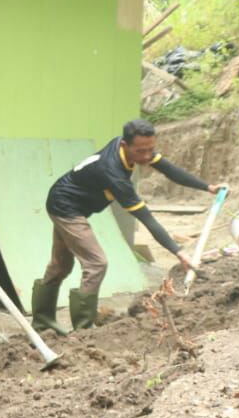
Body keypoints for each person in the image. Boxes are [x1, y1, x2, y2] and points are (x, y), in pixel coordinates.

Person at [31, 119, 222, 333]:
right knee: (96, 263)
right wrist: (179, 253)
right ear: (124, 145)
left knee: (60, 265)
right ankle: (83, 330)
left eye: (150, 149)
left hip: (68, 201)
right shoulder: (113, 173)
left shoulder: (130, 148)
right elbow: (147, 219)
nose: (147, 156)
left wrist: (208, 187)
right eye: (141, 151)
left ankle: (42, 322)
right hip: (66, 208)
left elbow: (169, 169)